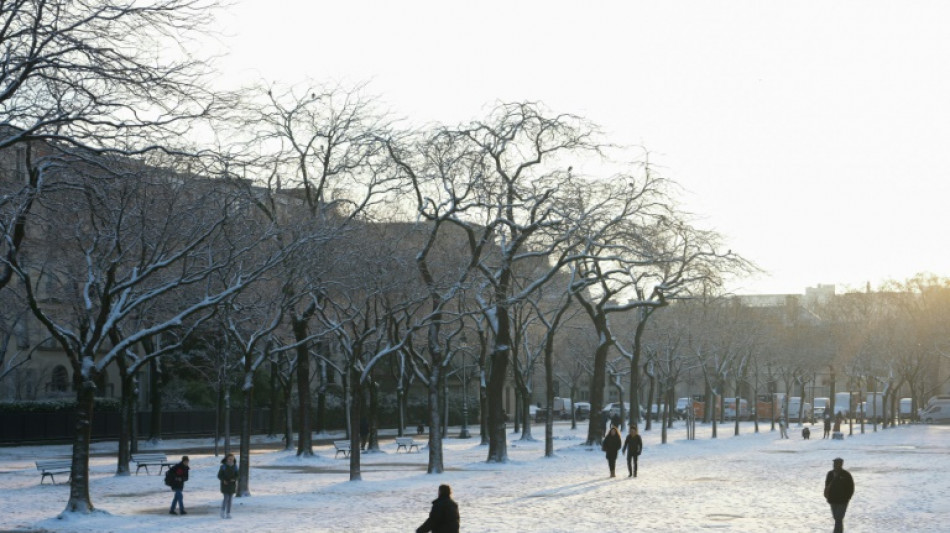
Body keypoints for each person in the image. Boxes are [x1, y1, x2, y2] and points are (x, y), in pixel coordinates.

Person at [824, 457, 855, 533]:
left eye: (836, 463)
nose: (834, 465)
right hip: (832, 500)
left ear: (841, 464)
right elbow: (826, 485)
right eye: (834, 463)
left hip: (843, 501)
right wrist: (828, 498)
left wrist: (848, 497)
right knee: (836, 518)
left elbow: (851, 487)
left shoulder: (846, 474)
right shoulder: (830, 474)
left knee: (838, 518)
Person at [217, 453, 239, 519]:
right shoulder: (223, 466)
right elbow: (219, 475)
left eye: (232, 459)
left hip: (232, 485)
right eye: (229, 459)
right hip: (225, 485)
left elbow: (238, 475)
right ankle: (222, 511)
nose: (231, 460)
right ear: (226, 459)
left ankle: (228, 513)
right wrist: (223, 480)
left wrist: (234, 479)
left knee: (230, 499)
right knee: (226, 498)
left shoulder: (235, 467)